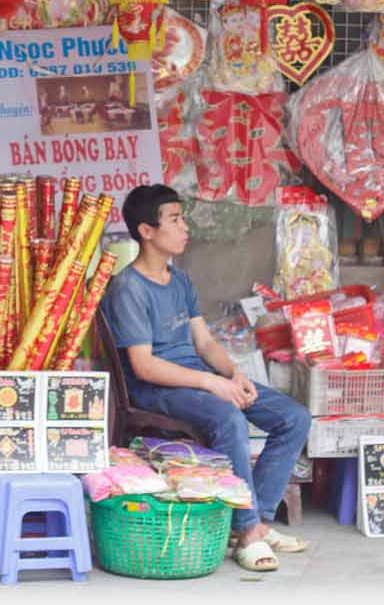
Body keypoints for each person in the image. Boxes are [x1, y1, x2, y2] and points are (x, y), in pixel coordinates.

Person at [100, 184, 312, 573]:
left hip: (198, 379)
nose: (186, 228)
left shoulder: (179, 280)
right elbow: (145, 366)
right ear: (147, 231)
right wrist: (213, 384)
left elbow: (203, 340)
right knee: (228, 417)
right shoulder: (129, 287)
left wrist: (233, 373)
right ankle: (247, 530)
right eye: (175, 220)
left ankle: (256, 519)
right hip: (156, 389)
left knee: (293, 417)